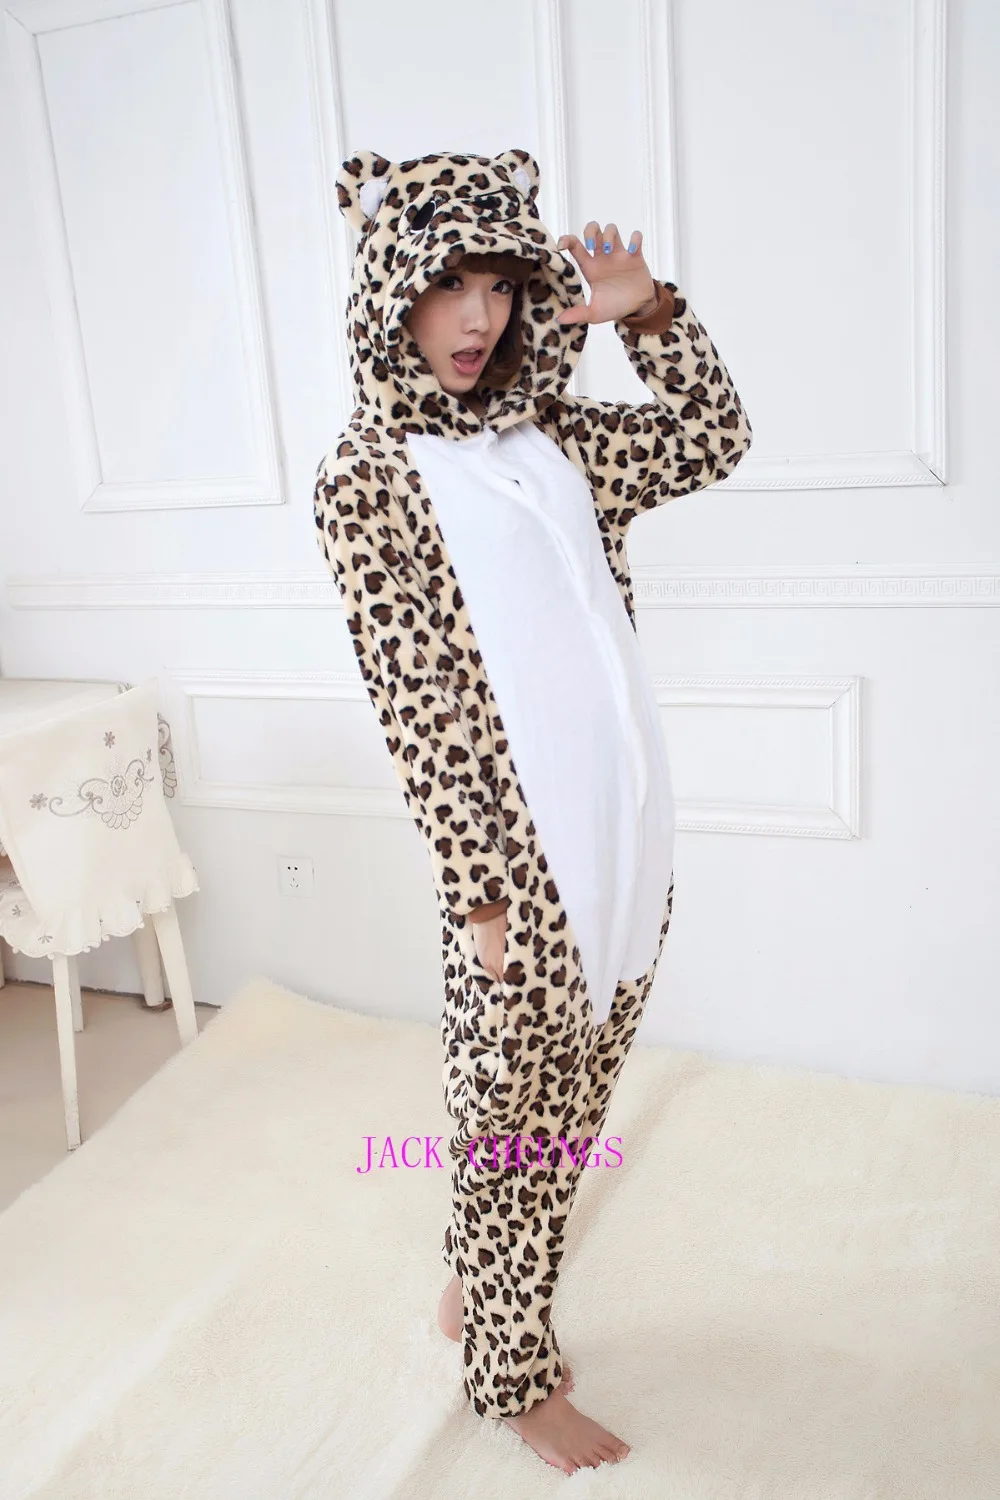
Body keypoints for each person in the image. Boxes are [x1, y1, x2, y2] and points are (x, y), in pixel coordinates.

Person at [314, 147, 752, 1476]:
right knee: (512, 1125)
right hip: (520, 868)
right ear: (392, 292)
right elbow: (418, 703)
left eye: (501, 285)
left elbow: (712, 439)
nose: (478, 317)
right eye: (448, 284)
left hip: (627, 830)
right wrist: (483, 892)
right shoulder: (368, 474)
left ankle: (480, 1281)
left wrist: (650, 313)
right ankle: (510, 1370)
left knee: (567, 1107)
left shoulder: (555, 438)